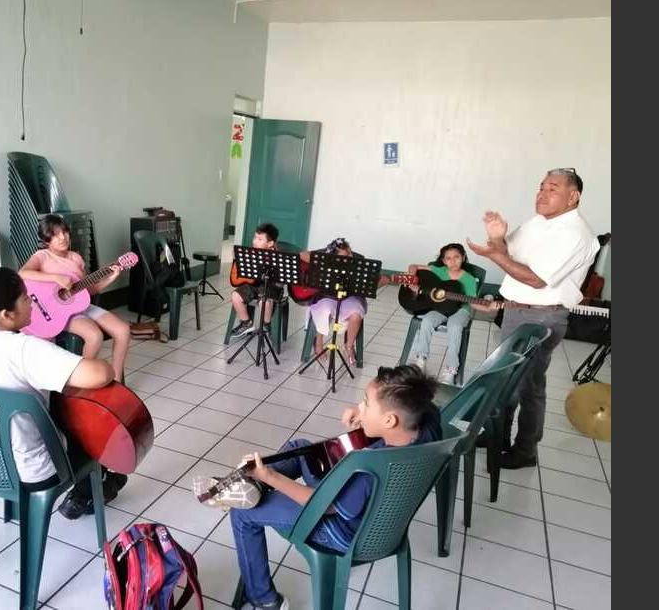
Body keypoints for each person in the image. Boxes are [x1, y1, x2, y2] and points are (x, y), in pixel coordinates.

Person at [230, 365, 441, 610]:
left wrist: (272, 477)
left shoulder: (368, 468)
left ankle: (263, 599)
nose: (360, 407)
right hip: (379, 520)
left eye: (366, 403)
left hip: (343, 531)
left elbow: (324, 505)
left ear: (389, 419)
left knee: (242, 512)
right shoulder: (427, 423)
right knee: (302, 448)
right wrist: (365, 418)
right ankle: (256, 484)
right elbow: (401, 418)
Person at [0, 264, 128, 515]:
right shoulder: (24, 350)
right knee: (82, 417)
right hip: (33, 470)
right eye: (25, 298)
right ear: (6, 314)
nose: (32, 302)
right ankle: (89, 491)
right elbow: (101, 374)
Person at [467, 168, 599, 469]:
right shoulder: (537, 223)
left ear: (573, 196)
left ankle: (525, 451)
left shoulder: (576, 234)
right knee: (504, 380)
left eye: (552, 188)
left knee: (528, 385)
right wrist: (497, 238)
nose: (542, 192)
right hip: (517, 310)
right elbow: (507, 253)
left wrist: (493, 254)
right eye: (541, 186)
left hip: (542, 317)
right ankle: (498, 436)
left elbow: (536, 280)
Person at [19, 214, 131, 383]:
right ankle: (83, 380)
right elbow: (23, 273)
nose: (62, 237)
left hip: (80, 306)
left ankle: (117, 381)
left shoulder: (76, 258)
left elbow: (87, 291)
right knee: (94, 336)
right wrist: (56, 278)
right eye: (55, 234)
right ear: (45, 240)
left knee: (123, 330)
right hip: (57, 312)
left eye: (64, 232)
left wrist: (110, 278)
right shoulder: (42, 256)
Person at [406, 243, 491, 384]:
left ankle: (452, 368)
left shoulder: (469, 279)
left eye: (456, 257)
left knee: (455, 326)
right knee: (427, 320)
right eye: (449, 258)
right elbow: (413, 266)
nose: (453, 261)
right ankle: (421, 359)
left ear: (463, 257)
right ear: (444, 261)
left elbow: (473, 302)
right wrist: (411, 280)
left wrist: (487, 307)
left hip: (461, 310)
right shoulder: (440, 271)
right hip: (441, 307)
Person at [301, 237, 367, 366]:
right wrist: (322, 262)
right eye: (343, 256)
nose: (348, 258)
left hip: (349, 297)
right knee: (325, 309)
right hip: (327, 296)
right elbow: (302, 255)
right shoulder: (326, 255)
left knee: (356, 313)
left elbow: (368, 282)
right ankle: (318, 342)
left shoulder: (359, 259)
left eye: (349, 254)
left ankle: (349, 346)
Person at [229, 223, 282, 339]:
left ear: (270, 243)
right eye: (255, 238)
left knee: (265, 302)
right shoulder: (251, 253)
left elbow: (279, 282)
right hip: (252, 285)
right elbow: (241, 274)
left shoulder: (276, 257)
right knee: (235, 295)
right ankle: (246, 322)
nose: (254, 241)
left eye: (259, 239)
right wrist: (236, 259)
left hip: (270, 287)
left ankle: (266, 325)